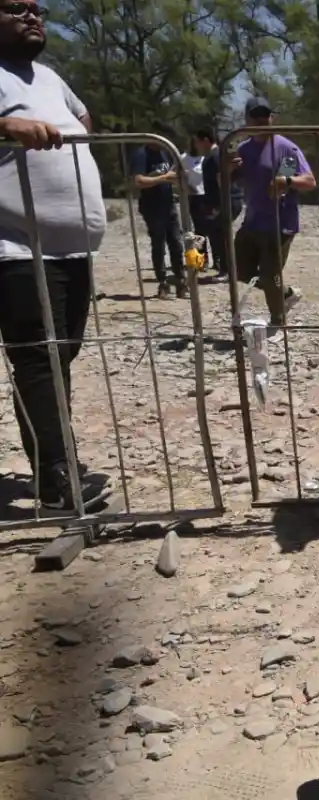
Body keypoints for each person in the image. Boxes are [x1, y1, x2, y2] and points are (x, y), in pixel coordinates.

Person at [0, 0, 113, 510]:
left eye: (35, 7)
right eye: (14, 8)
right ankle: (55, 480)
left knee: (60, 355)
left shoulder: (48, 77)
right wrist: (4, 127)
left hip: (71, 250)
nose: (30, 15)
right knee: (38, 361)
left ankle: (59, 459)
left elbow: (82, 118)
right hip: (17, 248)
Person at [232, 97, 316, 329]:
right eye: (256, 116)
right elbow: (229, 181)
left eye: (265, 115)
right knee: (241, 272)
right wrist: (228, 169)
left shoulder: (285, 148)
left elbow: (308, 181)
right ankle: (286, 293)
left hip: (280, 223)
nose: (261, 120)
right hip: (252, 222)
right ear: (247, 119)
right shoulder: (242, 149)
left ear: (272, 118)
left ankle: (278, 322)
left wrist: (285, 180)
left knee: (270, 275)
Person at [131, 130, 188, 300]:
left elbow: (173, 175)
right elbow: (139, 181)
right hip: (151, 207)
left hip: (168, 204)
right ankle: (163, 283)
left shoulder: (165, 153)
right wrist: (163, 178)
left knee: (176, 244)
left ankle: (180, 282)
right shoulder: (141, 155)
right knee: (159, 245)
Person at [197, 127, 243, 277]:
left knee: (221, 236)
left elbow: (221, 180)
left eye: (196, 142)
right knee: (217, 234)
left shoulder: (216, 156)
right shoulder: (211, 156)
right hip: (220, 201)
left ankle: (228, 270)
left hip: (225, 201)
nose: (196, 146)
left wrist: (218, 205)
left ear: (205, 141)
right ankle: (226, 269)